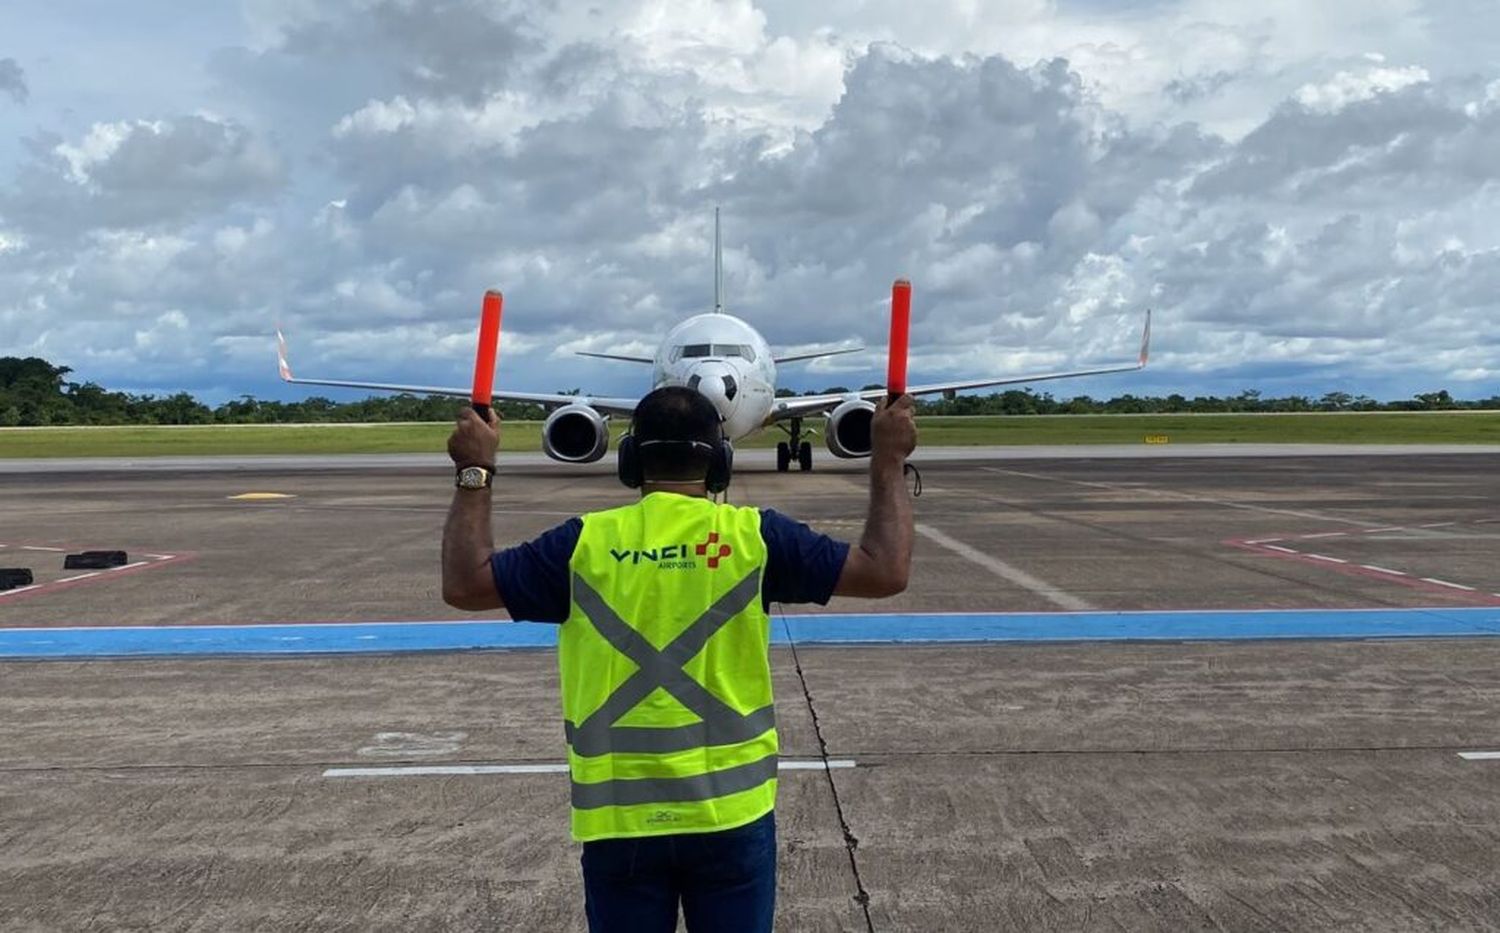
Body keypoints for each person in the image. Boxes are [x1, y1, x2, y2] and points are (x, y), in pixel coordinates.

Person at [442, 386, 917, 933]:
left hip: (618, 821)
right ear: (720, 461)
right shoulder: (754, 538)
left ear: (628, 460)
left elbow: (464, 583)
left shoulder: (582, 544)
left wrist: (475, 468)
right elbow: (885, 572)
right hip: (730, 815)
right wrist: (888, 459)